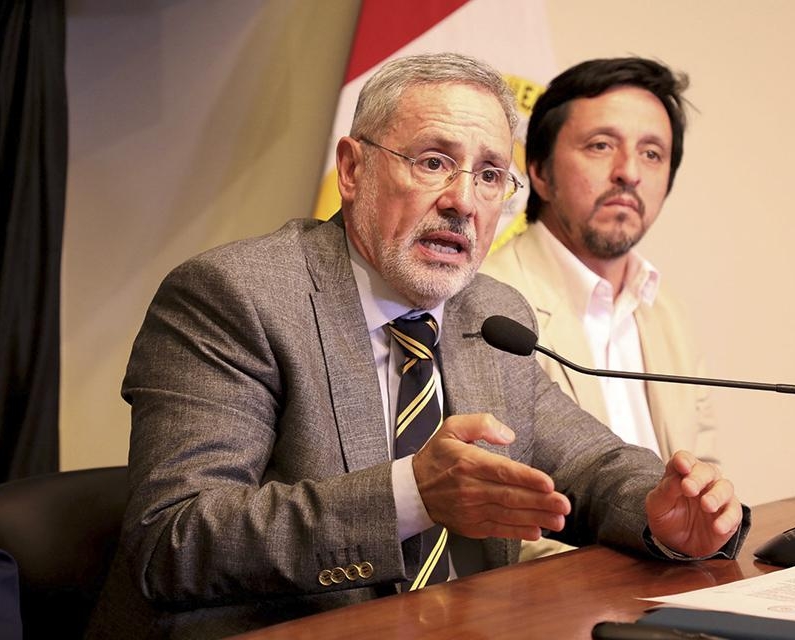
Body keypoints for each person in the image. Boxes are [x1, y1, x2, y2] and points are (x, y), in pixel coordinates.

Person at [87, 53, 748, 639]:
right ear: (353, 169)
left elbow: (591, 465)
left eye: (490, 175)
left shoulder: (491, 312)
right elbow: (173, 540)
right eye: (433, 162)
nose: (463, 201)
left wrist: (661, 511)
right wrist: (411, 494)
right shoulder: (237, 296)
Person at [481, 57, 716, 467]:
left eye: (652, 153)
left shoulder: (667, 314)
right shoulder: (487, 309)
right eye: (601, 146)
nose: (629, 172)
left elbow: (706, 468)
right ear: (539, 171)